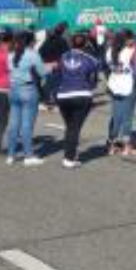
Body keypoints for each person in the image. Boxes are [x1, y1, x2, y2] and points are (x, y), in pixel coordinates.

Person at [54, 33, 101, 169]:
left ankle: (70, 154)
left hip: (63, 95)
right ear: (86, 44)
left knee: (70, 127)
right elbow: (96, 70)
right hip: (81, 94)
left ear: (71, 43)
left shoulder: (63, 57)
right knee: (74, 128)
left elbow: (57, 72)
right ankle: (69, 158)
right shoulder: (89, 58)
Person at [7, 31, 48, 166]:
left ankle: (11, 155)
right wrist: (51, 67)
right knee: (27, 125)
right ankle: (28, 155)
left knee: (13, 124)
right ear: (30, 41)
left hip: (13, 89)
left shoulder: (10, 54)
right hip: (28, 89)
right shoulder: (32, 54)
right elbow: (42, 72)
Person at [106, 31, 136, 156]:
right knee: (127, 117)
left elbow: (108, 67)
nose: (133, 40)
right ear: (126, 39)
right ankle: (126, 145)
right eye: (132, 38)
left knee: (116, 116)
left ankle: (112, 144)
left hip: (114, 84)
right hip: (127, 85)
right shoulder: (130, 51)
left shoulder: (109, 51)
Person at [38, 23, 69, 110]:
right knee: (57, 84)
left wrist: (45, 61)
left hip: (47, 64)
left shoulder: (47, 40)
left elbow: (40, 51)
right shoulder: (62, 41)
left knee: (48, 84)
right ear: (62, 31)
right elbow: (66, 54)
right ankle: (56, 103)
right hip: (57, 64)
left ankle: (45, 102)